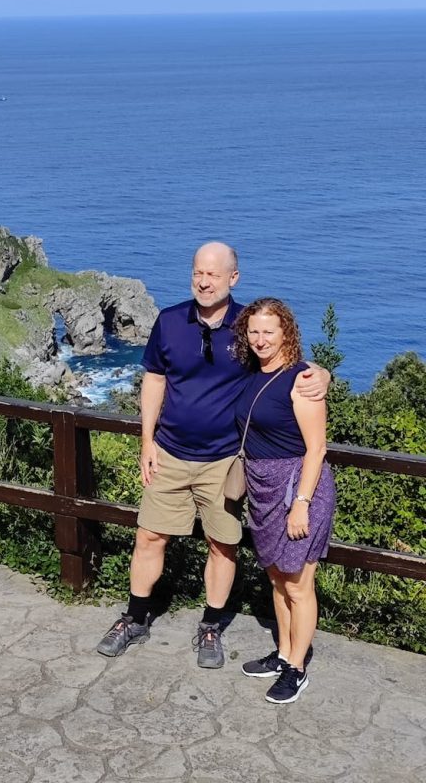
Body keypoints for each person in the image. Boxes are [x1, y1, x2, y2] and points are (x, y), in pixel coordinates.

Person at [96, 242, 330, 667]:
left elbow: (282, 360)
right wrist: (146, 440)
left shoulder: (246, 325)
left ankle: (211, 625)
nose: (204, 281)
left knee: (223, 544)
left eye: (214, 275)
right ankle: (135, 617)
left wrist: (322, 374)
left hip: (225, 459)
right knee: (149, 535)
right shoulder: (168, 321)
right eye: (197, 273)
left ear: (232, 279)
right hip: (169, 451)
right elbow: (154, 379)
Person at [234, 297, 336, 703]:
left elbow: (316, 449)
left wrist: (301, 504)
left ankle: (297, 668)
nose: (260, 340)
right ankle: (282, 653)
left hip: (297, 486)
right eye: (253, 331)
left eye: (268, 332)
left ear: (286, 333)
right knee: (277, 579)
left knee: (298, 584)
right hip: (262, 486)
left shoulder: (303, 380)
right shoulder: (253, 373)